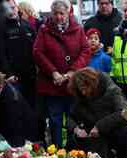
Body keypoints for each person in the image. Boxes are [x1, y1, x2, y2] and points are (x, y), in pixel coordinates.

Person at [33, 0, 91, 148]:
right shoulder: (44, 29)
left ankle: (74, 149)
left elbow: (85, 51)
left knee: (73, 118)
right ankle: (57, 149)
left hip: (72, 83)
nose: (59, 17)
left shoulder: (77, 29)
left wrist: (73, 71)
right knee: (55, 119)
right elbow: (38, 52)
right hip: (52, 84)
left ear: (68, 13)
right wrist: (53, 72)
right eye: (55, 14)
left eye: (62, 13)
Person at [67, 67, 127, 158]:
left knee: (121, 136)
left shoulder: (112, 90)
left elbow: (125, 113)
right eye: (80, 90)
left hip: (114, 131)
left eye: (84, 88)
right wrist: (76, 129)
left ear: (92, 84)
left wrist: (99, 127)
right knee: (75, 141)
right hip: (92, 134)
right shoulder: (80, 95)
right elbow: (70, 117)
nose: (83, 92)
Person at [0, 0, 37, 108]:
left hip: (30, 76)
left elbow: (36, 49)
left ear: (17, 7)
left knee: (31, 108)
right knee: (15, 108)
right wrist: (8, 73)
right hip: (13, 78)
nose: (11, 11)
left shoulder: (26, 25)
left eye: (13, 7)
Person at [0, 72, 38, 147]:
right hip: (7, 129)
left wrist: (16, 149)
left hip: (24, 131)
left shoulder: (12, 99)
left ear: (0, 87)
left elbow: (15, 128)